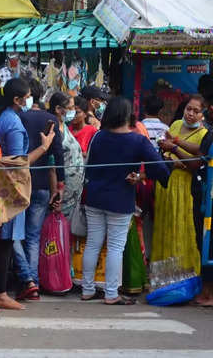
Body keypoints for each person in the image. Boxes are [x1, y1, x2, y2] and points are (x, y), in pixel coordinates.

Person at [81, 97, 169, 305]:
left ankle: (87, 289)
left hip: (94, 196)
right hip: (121, 198)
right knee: (115, 247)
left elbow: (89, 166)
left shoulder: (98, 137)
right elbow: (160, 169)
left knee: (93, 243)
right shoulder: (137, 140)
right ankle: (111, 293)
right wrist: (141, 177)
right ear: (128, 115)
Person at [0, 78, 53, 310]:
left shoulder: (0, 117)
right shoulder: (13, 123)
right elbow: (17, 162)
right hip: (10, 189)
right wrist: (44, 147)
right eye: (27, 97)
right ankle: (1, 292)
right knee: (6, 240)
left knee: (1, 240)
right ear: (17, 100)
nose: (30, 100)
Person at [15, 81, 65, 301]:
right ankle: (32, 280)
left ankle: (26, 278)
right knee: (33, 237)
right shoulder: (51, 119)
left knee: (15, 234)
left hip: (19, 183)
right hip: (43, 183)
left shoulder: (18, 117)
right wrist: (60, 185)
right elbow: (58, 155)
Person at [153, 95, 207, 276]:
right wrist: (168, 156)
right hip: (167, 185)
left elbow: (196, 164)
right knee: (165, 226)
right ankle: (163, 277)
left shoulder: (203, 135)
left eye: (196, 111)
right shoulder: (175, 125)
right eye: (188, 109)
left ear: (203, 115)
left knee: (184, 230)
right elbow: (164, 151)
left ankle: (184, 277)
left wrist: (174, 148)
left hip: (186, 188)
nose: (190, 114)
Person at [49, 93, 84, 218]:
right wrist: (57, 193)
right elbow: (52, 166)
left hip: (72, 193)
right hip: (62, 194)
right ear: (58, 109)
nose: (73, 111)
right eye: (70, 108)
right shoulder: (53, 130)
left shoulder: (64, 126)